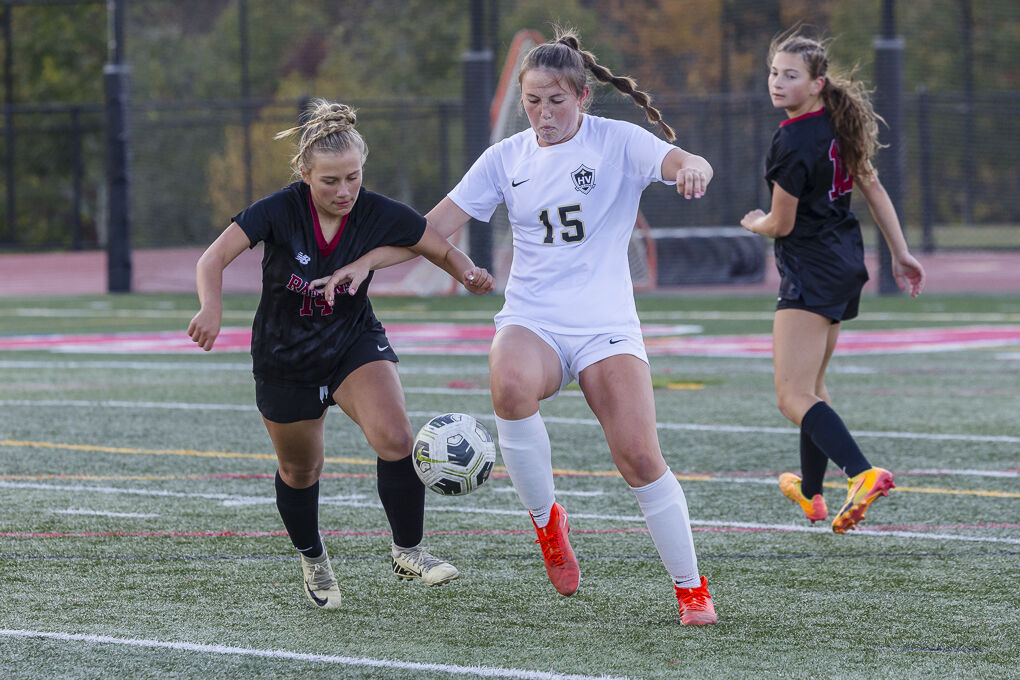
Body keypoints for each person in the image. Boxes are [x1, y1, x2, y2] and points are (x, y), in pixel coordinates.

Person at [313, 29, 717, 625]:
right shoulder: (507, 158)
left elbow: (683, 159)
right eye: (532, 101)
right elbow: (433, 227)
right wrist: (364, 263)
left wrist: (694, 170)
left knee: (637, 456)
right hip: (535, 319)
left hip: (605, 326)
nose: (543, 113)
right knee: (507, 378)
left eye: (555, 100)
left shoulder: (617, 142)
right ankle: (548, 525)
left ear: (582, 96)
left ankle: (690, 590)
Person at [187, 99, 493, 610]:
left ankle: (407, 551)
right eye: (330, 180)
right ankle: (313, 558)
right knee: (301, 470)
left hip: (353, 342)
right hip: (285, 359)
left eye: (352, 177)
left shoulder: (374, 211)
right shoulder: (279, 210)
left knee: (396, 438)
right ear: (305, 174)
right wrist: (211, 307)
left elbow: (436, 245)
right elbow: (212, 257)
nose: (344, 190)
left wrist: (467, 271)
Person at [740, 33, 925, 534]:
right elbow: (873, 185)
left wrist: (753, 222)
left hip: (812, 269)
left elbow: (779, 224)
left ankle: (862, 473)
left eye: (790, 75)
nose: (778, 82)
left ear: (817, 83)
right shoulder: (835, 124)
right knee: (813, 388)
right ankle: (812, 492)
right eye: (774, 72)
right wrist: (900, 251)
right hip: (845, 264)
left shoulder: (793, 138)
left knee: (790, 396)